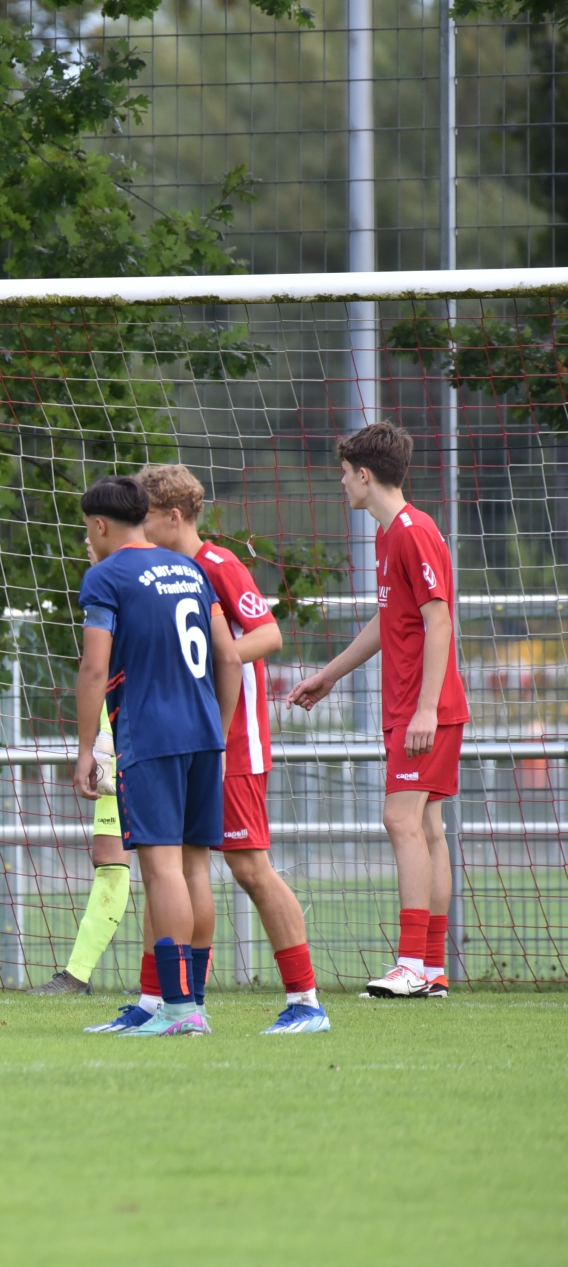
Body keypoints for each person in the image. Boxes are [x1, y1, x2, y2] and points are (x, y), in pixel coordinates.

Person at [129, 465, 328, 1034]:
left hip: (234, 742)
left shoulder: (218, 564)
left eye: (146, 517)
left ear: (173, 516)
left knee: (249, 867)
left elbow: (269, 634)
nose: (138, 528)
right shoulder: (163, 572)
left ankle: (307, 1001)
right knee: (171, 865)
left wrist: (217, 659)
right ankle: (164, 1002)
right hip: (189, 739)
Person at [287, 422, 469, 999]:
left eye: (344, 474)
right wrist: (330, 674)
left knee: (400, 821)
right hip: (412, 706)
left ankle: (411, 964)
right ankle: (431, 968)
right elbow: (391, 620)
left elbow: (439, 620)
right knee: (428, 828)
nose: (342, 483)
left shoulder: (413, 532)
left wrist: (425, 710)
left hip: (424, 708)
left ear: (364, 475)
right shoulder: (389, 536)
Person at [72, 475, 241, 1037]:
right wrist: (218, 731)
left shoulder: (105, 577)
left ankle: (178, 1008)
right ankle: (187, 1002)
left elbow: (94, 668)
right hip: (203, 733)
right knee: (195, 868)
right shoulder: (190, 569)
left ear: (100, 525)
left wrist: (85, 750)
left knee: (161, 869)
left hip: (151, 735)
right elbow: (228, 658)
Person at [28, 702, 129, 997]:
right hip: (117, 747)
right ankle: (78, 974)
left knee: (172, 863)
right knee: (110, 860)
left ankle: (169, 984)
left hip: (162, 744)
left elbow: (95, 677)